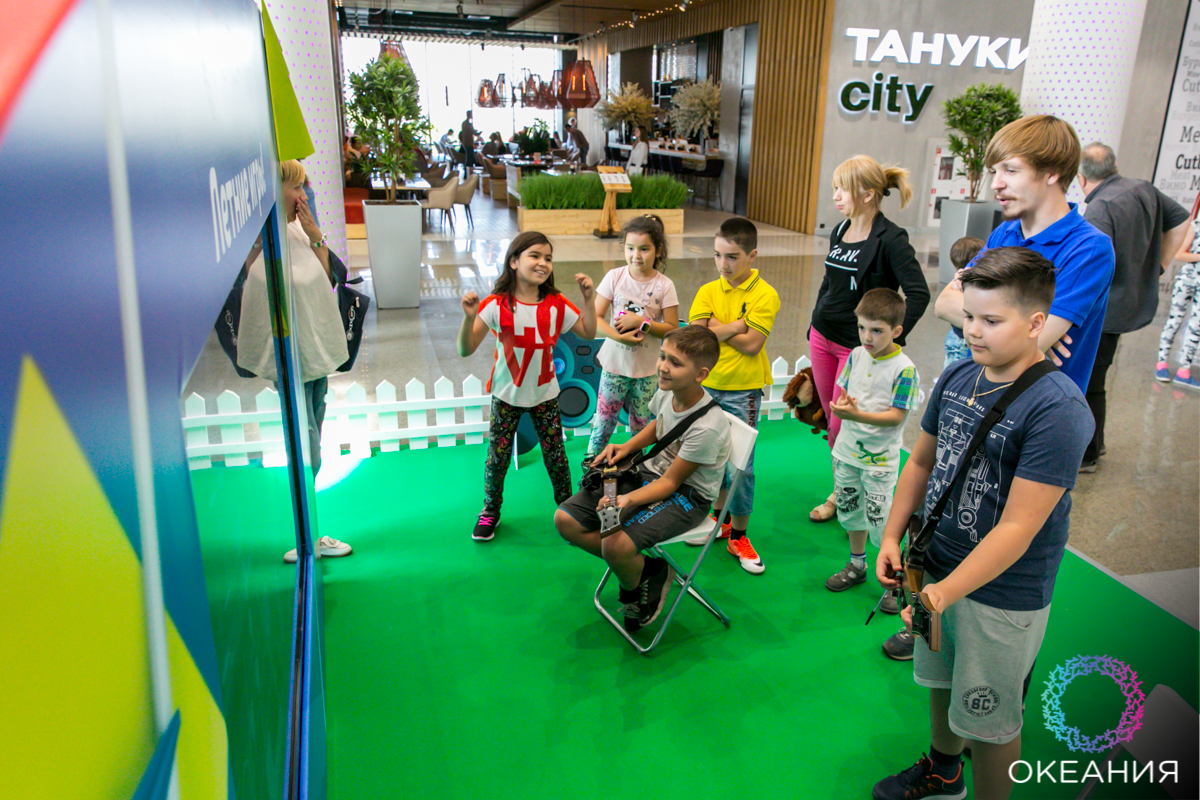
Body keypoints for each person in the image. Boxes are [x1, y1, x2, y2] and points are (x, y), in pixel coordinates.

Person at [872, 247, 1092, 800]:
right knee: (941, 681)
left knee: (991, 720)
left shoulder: (1058, 409)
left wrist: (944, 593)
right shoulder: (957, 374)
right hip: (937, 568)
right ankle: (944, 770)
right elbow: (920, 462)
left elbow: (1019, 527)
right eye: (969, 315)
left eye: (992, 320)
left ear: (1036, 323)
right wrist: (893, 536)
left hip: (1003, 593)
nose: (973, 330)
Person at [555, 326, 732, 632]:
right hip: (649, 475)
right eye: (662, 356)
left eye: (675, 362)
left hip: (687, 497)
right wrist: (626, 447)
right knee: (565, 520)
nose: (662, 366)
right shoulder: (667, 391)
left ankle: (632, 583)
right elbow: (658, 426)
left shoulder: (708, 427)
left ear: (701, 374)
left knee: (615, 543)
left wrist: (625, 500)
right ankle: (648, 568)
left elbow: (671, 484)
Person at [934, 115, 1116, 398]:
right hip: (980, 392)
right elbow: (944, 303)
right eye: (994, 171)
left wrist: (980, 318)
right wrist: (1020, 334)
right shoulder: (1004, 233)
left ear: (1052, 173)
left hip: (1038, 407)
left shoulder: (1089, 248)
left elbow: (1031, 345)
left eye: (1010, 170)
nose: (996, 184)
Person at [237, 160, 353, 563]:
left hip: (313, 359)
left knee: (313, 441)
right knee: (306, 448)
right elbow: (259, 290)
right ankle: (306, 537)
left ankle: (311, 533)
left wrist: (317, 237)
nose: (303, 196)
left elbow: (324, 281)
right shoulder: (266, 243)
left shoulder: (297, 232)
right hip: (293, 363)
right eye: (296, 188)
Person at [807, 155, 929, 525]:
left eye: (842, 189)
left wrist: (888, 339)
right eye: (835, 188)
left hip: (856, 346)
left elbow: (918, 293)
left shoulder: (891, 239)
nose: (835, 196)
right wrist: (813, 324)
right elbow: (829, 281)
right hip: (823, 336)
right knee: (831, 420)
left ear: (868, 194)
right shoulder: (840, 229)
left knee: (842, 424)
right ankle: (843, 489)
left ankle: (845, 496)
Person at [457, 232, 597, 542]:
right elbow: (466, 349)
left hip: (545, 395)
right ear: (514, 261)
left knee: (556, 457)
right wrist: (468, 319)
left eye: (548, 258)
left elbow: (588, 332)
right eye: (534, 255)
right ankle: (490, 511)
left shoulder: (557, 304)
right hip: (506, 396)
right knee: (497, 459)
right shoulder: (495, 304)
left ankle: (569, 510)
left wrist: (588, 299)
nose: (543, 263)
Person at [1074, 142, 1190, 471]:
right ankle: (1096, 444)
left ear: (1081, 179)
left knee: (1089, 383)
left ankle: (1088, 454)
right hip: (1128, 305)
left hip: (1104, 310)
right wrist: (1159, 266)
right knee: (1097, 378)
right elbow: (1183, 222)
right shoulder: (1143, 188)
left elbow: (1092, 265)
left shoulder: (1099, 208)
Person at [685, 218, 780, 574]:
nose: (723, 264)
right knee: (711, 459)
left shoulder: (765, 294)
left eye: (732, 257)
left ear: (752, 255)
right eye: (717, 255)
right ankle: (719, 520)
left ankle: (739, 535)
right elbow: (697, 337)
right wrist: (738, 325)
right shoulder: (708, 290)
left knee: (741, 467)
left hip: (744, 391)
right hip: (706, 386)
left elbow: (753, 345)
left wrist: (717, 328)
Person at [824, 289, 919, 603]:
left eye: (877, 330)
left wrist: (856, 415)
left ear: (896, 331)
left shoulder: (904, 369)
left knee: (882, 522)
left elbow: (896, 417)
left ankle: (893, 581)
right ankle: (857, 565)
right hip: (847, 454)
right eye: (862, 328)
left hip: (879, 462)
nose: (867, 337)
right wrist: (844, 406)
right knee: (851, 512)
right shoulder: (855, 354)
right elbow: (846, 393)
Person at [583, 215, 680, 467]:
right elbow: (595, 317)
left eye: (644, 249)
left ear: (658, 250)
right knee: (604, 421)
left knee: (641, 425)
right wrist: (619, 337)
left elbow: (671, 329)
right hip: (614, 365)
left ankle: (639, 469)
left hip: (647, 371)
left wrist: (641, 323)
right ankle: (591, 469)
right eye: (630, 248)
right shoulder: (614, 277)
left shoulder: (664, 285)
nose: (636, 255)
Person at [1157, 196, 1200, 388]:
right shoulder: (1196, 225)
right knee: (1175, 320)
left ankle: (1184, 370)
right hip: (1186, 280)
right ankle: (1161, 364)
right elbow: (1180, 254)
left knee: (1196, 326)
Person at [941, 237, 985, 367]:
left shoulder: (956, 282)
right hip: (962, 339)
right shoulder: (969, 284)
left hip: (954, 334)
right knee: (958, 370)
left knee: (950, 365)